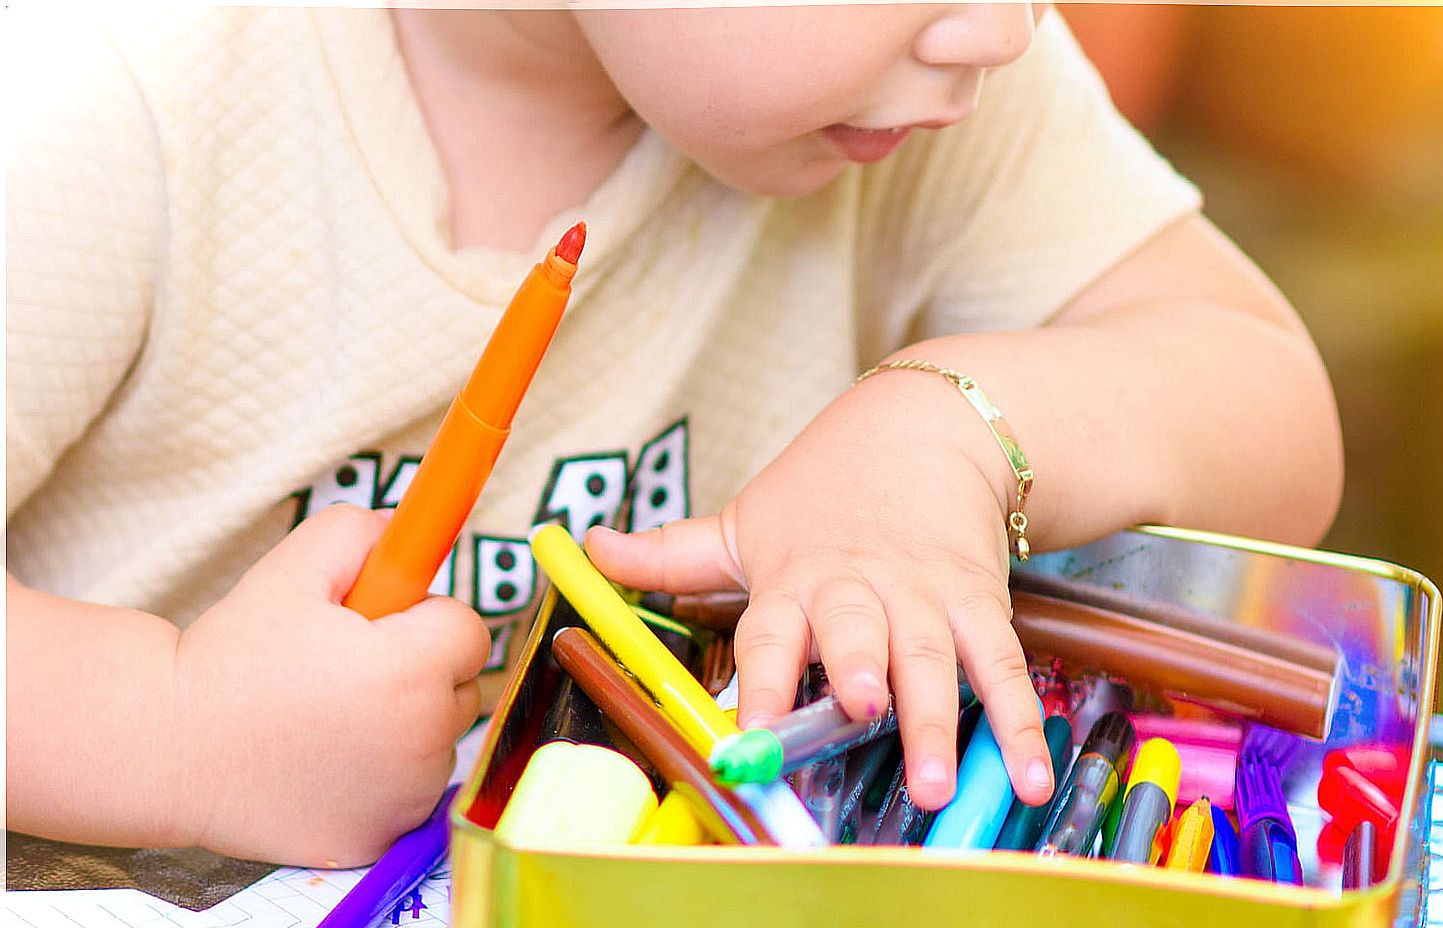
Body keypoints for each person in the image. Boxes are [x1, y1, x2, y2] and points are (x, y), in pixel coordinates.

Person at [5, 4, 1342, 867]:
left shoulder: (920, 79)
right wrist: (178, 730)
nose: (1002, 29)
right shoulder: (110, 91)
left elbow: (1273, 399)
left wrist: (947, 432)